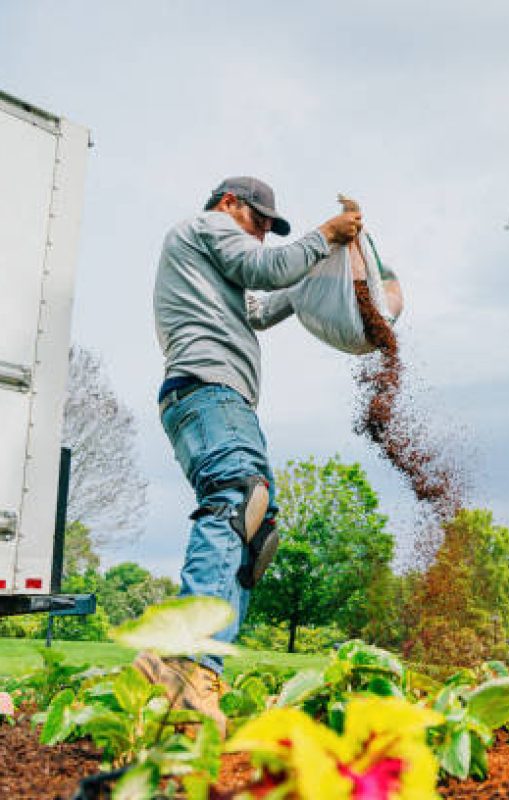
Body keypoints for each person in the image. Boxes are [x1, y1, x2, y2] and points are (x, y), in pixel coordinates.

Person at [136, 177, 370, 733]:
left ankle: (199, 674)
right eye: (258, 221)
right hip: (207, 389)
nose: (263, 234)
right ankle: (185, 660)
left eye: (269, 228)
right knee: (235, 499)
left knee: (255, 532)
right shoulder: (206, 226)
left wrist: (331, 275)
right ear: (228, 204)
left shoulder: (221, 267)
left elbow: (262, 306)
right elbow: (266, 268)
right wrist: (325, 235)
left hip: (222, 399)